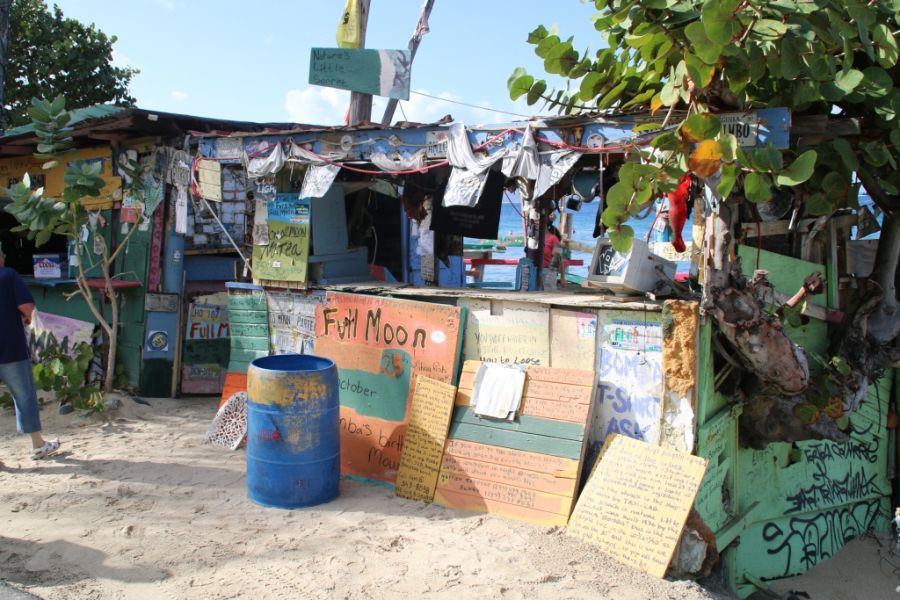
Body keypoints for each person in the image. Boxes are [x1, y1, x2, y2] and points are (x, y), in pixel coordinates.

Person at [0, 244, 60, 460]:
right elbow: (26, 307)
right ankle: (37, 444)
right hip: (10, 348)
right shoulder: (8, 275)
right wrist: (26, 319)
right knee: (24, 395)